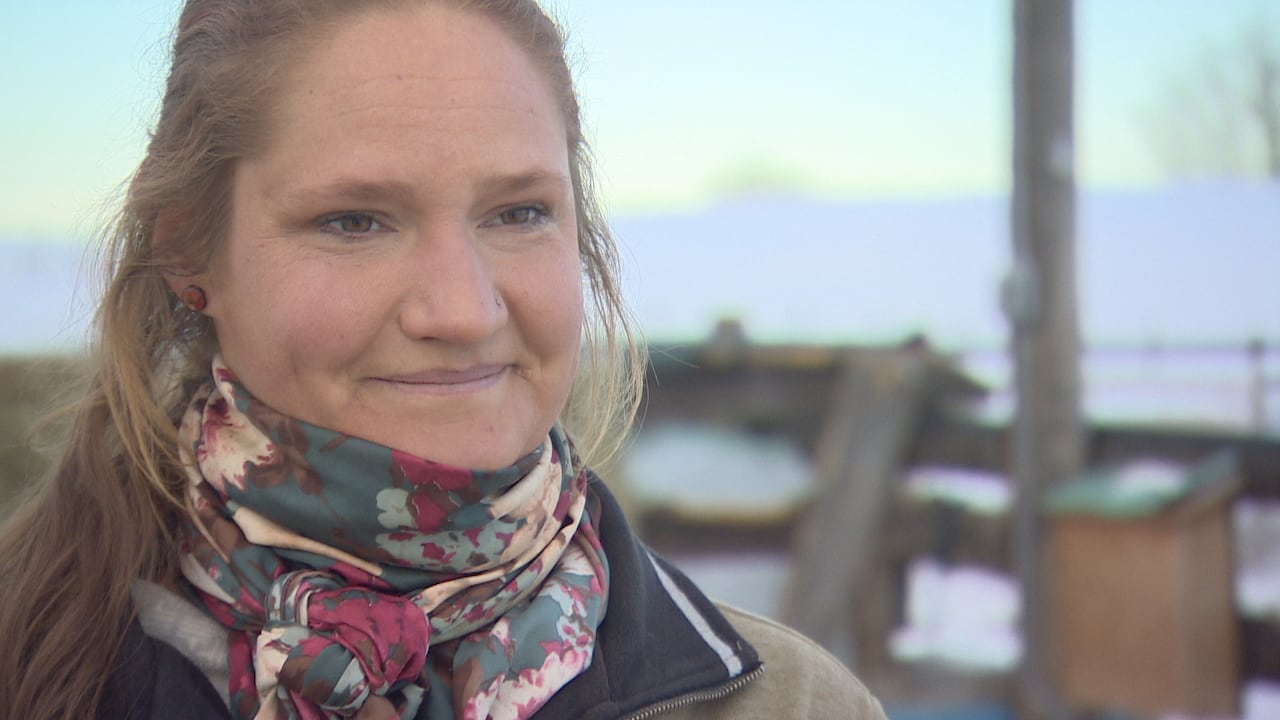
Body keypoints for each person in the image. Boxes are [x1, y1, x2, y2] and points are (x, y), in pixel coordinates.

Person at [0, 1, 888, 718]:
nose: (463, 311)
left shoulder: (789, 704)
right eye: (354, 221)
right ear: (191, 256)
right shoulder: (31, 657)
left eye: (519, 213)